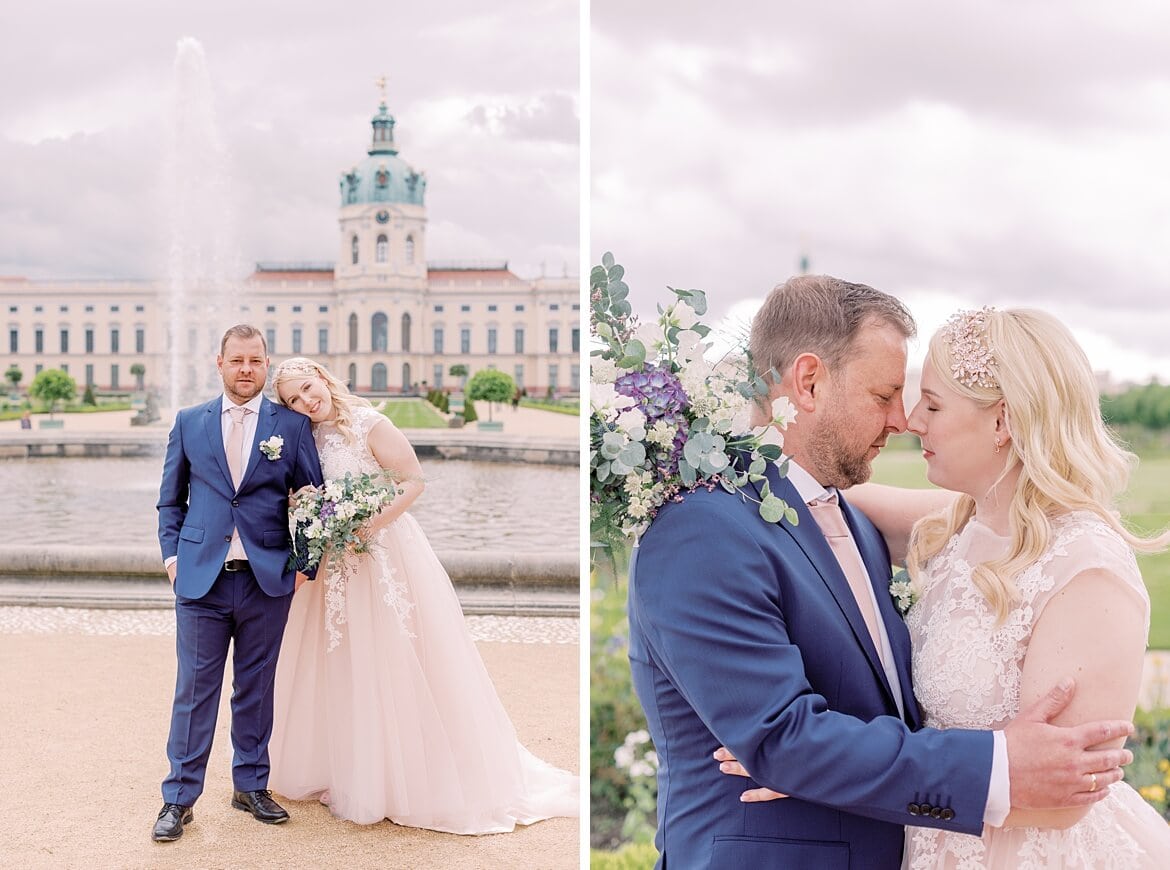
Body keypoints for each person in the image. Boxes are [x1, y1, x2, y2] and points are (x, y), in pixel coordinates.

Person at [627, 277, 1134, 869]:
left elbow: (1017, 525)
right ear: (809, 382)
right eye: (885, 393)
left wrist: (824, 772)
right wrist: (804, 764)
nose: (904, 419)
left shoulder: (856, 522)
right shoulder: (705, 529)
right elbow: (780, 738)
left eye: (925, 401)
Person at [268, 357, 578, 832]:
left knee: (394, 655)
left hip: (382, 551)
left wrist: (366, 524)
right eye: (294, 399)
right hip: (336, 560)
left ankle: (404, 773)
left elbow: (413, 481)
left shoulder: (372, 423)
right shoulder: (305, 437)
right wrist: (307, 510)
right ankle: (347, 767)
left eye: (308, 389)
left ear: (323, 379)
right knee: (340, 660)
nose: (307, 402)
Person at [153, 325, 324, 842]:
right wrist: (172, 560)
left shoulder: (290, 426)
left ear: (266, 364)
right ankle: (178, 799)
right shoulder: (188, 422)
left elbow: (315, 500)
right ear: (219, 363)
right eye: (237, 361)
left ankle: (250, 786)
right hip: (200, 582)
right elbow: (169, 500)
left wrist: (303, 565)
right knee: (194, 692)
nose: (246, 369)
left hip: (265, 583)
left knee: (256, 688)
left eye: (255, 360)